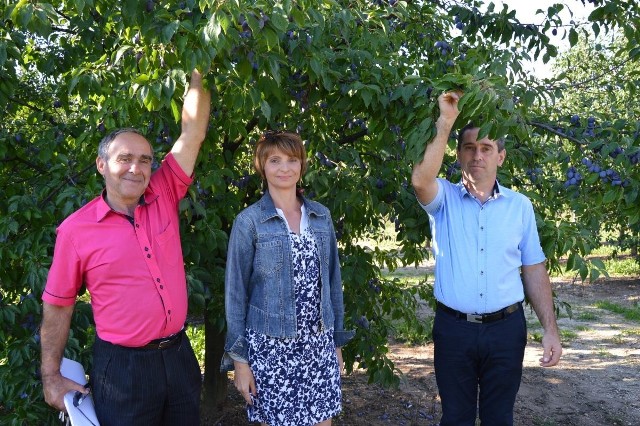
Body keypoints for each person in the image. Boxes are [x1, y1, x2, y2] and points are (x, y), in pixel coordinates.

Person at [40, 69, 211, 425]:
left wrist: (200, 69)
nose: (136, 168)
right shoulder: (76, 231)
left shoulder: (163, 193)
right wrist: (51, 376)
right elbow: (58, 305)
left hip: (179, 358)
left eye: (145, 159)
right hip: (123, 371)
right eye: (124, 159)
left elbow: (192, 133)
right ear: (102, 165)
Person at [411, 91, 562, 425]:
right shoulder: (444, 199)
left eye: (486, 148)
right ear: (458, 154)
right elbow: (421, 180)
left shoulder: (520, 206)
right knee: (455, 418)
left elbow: (534, 268)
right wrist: (446, 121)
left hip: (506, 331)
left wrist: (550, 330)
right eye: (469, 148)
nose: (477, 155)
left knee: (499, 418)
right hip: (454, 330)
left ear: (501, 157)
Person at [222, 131, 354, 426]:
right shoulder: (249, 221)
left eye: (292, 160)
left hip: (318, 344)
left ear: (302, 165)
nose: (285, 168)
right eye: (275, 160)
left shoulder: (321, 217)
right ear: (262, 166)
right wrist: (240, 362)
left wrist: (335, 344)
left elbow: (333, 284)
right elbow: (235, 294)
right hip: (271, 349)